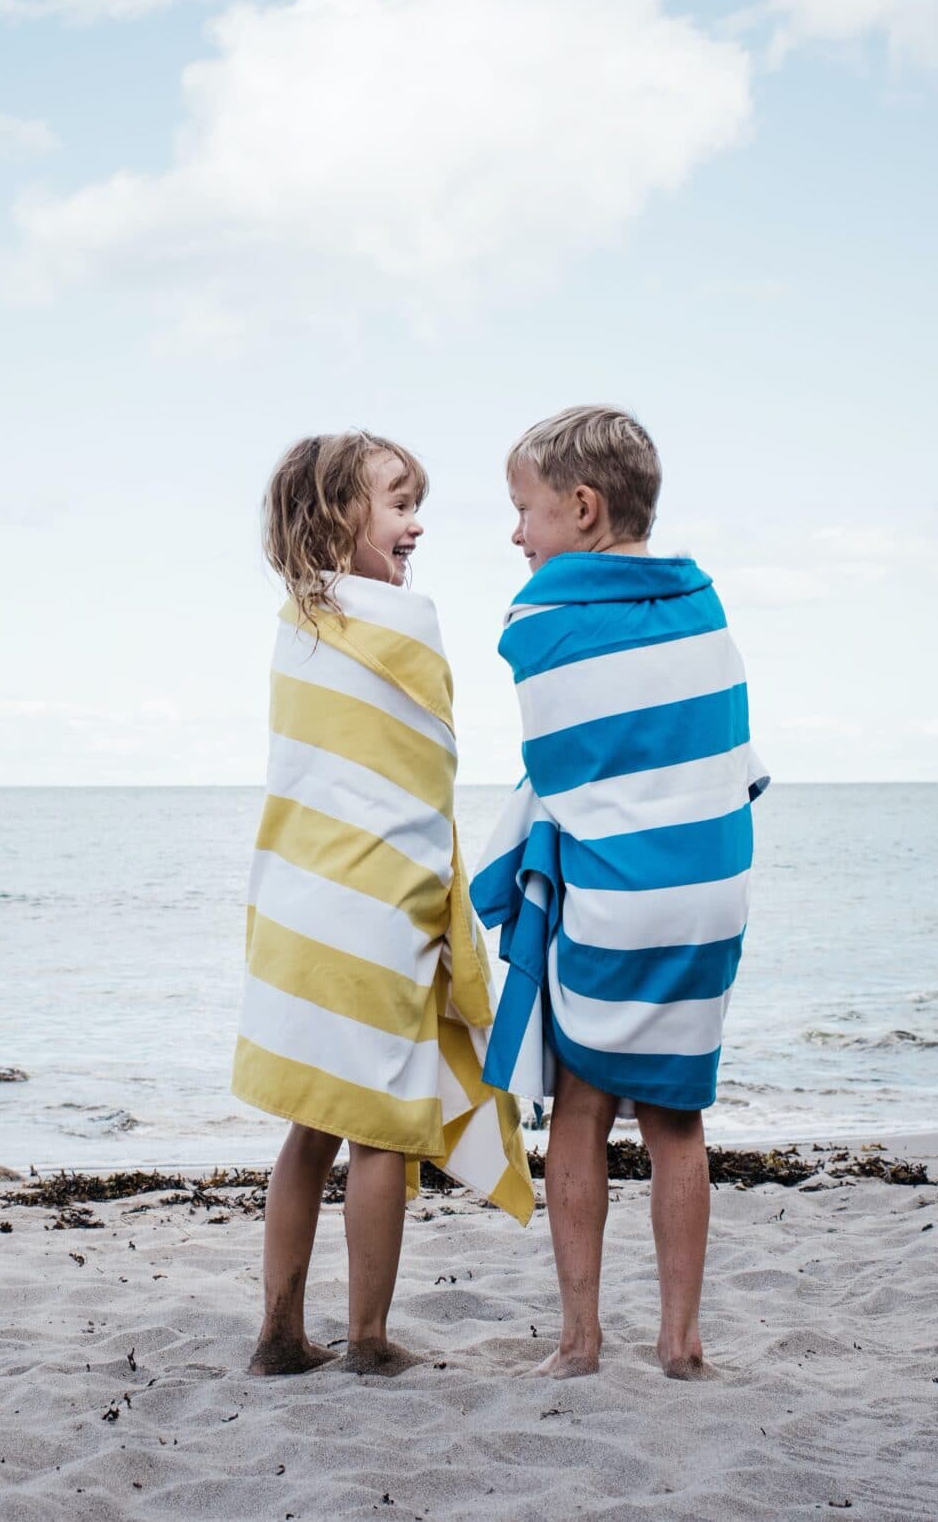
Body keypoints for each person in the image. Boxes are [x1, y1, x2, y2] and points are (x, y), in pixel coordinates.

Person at [473, 405, 767, 1380]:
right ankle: (682, 1343)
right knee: (677, 1118)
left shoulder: (544, 619)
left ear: (584, 510)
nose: (517, 534)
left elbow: (561, 766)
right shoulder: (703, 605)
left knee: (583, 1110)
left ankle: (578, 1338)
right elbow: (726, 752)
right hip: (706, 891)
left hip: (617, 897)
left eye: (526, 510)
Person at [235, 430, 533, 1377]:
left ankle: (279, 1332)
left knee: (308, 1122)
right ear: (337, 517)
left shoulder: (296, 624)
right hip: (374, 909)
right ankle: (365, 1338)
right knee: (377, 1127)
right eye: (399, 504)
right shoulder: (407, 624)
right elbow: (422, 777)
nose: (416, 524)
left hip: (295, 905)